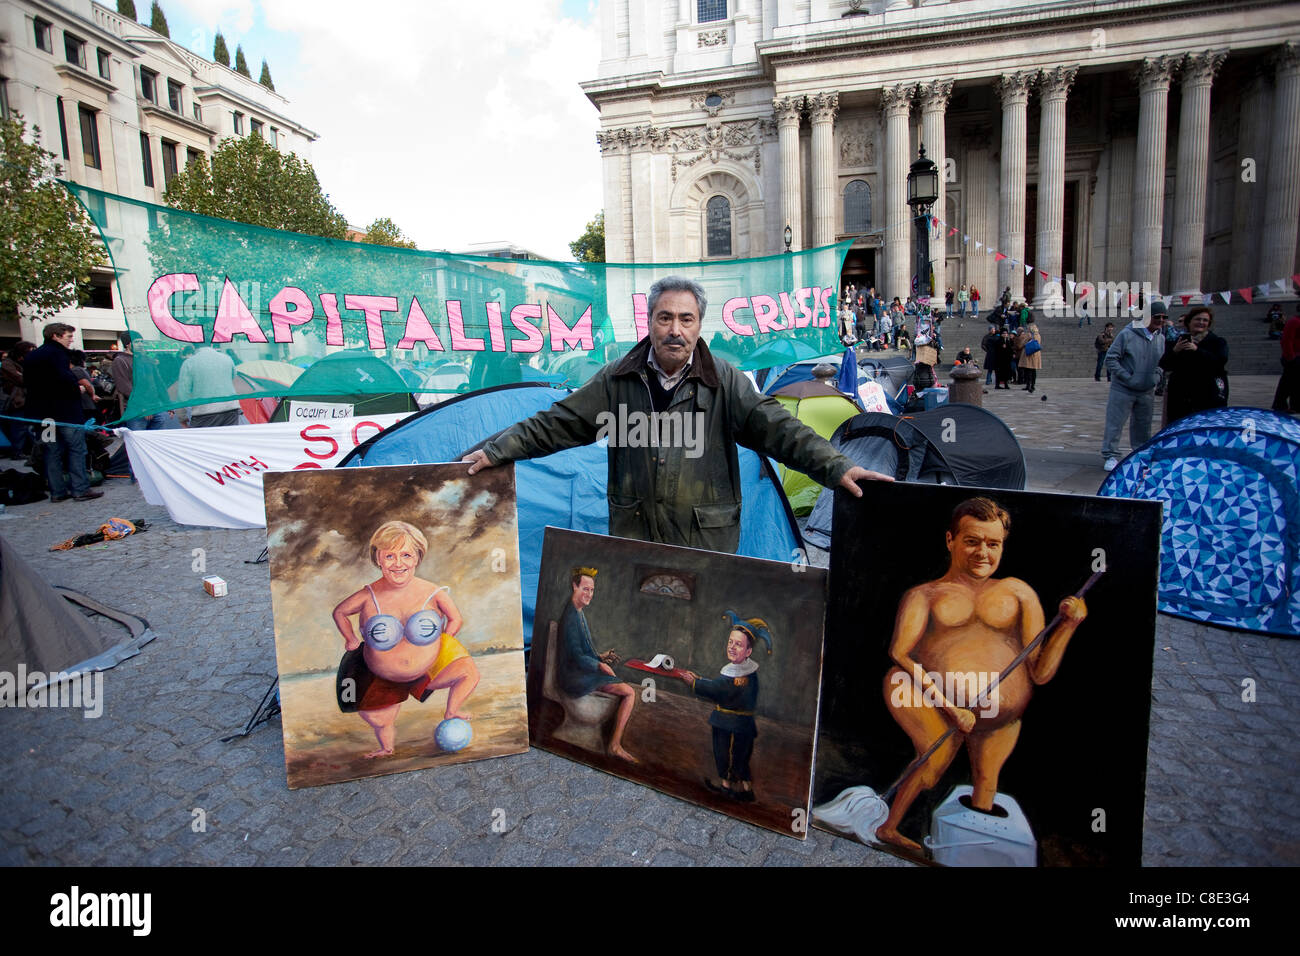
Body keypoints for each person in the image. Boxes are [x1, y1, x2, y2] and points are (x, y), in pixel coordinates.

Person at [463, 276, 890, 553]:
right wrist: (498, 450)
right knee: (641, 636)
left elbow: (783, 432)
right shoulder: (618, 380)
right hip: (635, 538)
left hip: (705, 542)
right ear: (648, 321)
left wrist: (839, 468)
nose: (675, 329)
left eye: (686, 319)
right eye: (665, 317)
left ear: (699, 325)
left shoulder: (725, 383)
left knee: (700, 640)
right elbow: (556, 424)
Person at [874, 497, 1088, 853]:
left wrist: (1068, 625)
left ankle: (971, 854)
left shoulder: (1020, 593)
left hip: (1001, 717)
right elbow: (900, 653)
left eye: (993, 543)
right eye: (972, 541)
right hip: (925, 695)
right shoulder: (925, 594)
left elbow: (1040, 672)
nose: (982, 552)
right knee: (934, 760)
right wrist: (949, 707)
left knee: (986, 788)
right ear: (950, 540)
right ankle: (889, 828)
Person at [332, 521, 479, 758]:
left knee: (468, 673)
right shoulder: (368, 595)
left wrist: (443, 642)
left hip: (426, 672)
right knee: (379, 720)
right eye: (390, 556)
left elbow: (455, 619)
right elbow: (339, 611)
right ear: (377, 559)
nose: (398, 563)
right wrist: (350, 638)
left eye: (406, 555)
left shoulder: (432, 592)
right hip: (383, 675)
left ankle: (451, 711)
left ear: (417, 558)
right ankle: (386, 748)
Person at [680, 611, 771, 803]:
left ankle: (741, 789)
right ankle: (730, 786)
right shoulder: (737, 671)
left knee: (734, 756)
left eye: (738, 644)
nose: (732, 647)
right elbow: (720, 684)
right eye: (730, 642)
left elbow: (720, 689)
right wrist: (700, 679)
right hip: (730, 722)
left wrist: (694, 683)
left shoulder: (743, 675)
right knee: (728, 755)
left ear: (748, 652)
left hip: (734, 723)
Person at [555, 567, 638, 762]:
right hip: (573, 678)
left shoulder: (578, 613)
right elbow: (575, 655)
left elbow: (583, 651)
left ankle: (613, 743)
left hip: (580, 672)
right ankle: (614, 745)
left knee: (622, 687)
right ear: (574, 586)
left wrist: (601, 657)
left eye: (592, 590)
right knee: (629, 692)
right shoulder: (570, 617)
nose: (589, 594)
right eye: (585, 589)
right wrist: (599, 666)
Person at [22, 324, 102, 502]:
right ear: (55, 336)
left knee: (51, 451)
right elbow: (63, 379)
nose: (71, 339)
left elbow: (27, 384)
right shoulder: (58, 354)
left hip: (44, 416)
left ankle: (57, 491)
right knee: (76, 449)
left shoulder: (32, 356)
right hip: (65, 414)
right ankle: (80, 489)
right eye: (68, 336)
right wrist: (77, 388)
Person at [1101, 302, 1167, 471]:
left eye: (1163, 317)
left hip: (1147, 389)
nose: (1160, 320)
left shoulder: (1161, 338)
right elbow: (1111, 358)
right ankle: (1111, 455)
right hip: (1123, 388)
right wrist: (1126, 377)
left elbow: (1161, 362)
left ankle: (1140, 453)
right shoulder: (1127, 334)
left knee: (1143, 424)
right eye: (1156, 317)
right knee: (1115, 423)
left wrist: (1156, 376)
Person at [1158, 306, 1228, 424]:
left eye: (1205, 320)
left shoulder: (1217, 342)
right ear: (1189, 321)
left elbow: (1220, 362)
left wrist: (1197, 350)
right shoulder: (1179, 341)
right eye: (1197, 319)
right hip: (1181, 396)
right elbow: (1164, 364)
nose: (1201, 322)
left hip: (1207, 394)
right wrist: (1175, 350)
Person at [177, 346, 242, 427]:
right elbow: (233, 376)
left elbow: (183, 393)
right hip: (231, 409)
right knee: (228, 439)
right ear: (211, 344)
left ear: (194, 346)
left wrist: (182, 417)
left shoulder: (189, 363)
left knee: (203, 439)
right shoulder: (227, 358)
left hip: (204, 412)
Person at [1, 341, 36, 458]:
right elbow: (21, 379)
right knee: (18, 426)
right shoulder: (7, 364)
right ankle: (17, 451)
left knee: (24, 426)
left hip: (24, 400)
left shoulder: (22, 364)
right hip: (15, 401)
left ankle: (24, 449)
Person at [1272, 310, 1300, 413]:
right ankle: (1281, 404)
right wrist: (1290, 357)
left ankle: (1294, 405)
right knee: (1288, 383)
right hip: (1293, 358)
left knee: (1294, 383)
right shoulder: (1294, 322)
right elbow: (1287, 340)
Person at [1018, 323, 1042, 394]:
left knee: (1028, 370)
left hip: (1028, 354)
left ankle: (1028, 385)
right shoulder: (1038, 335)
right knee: (1033, 370)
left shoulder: (1028, 334)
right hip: (1036, 354)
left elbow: (1022, 343)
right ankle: (1033, 385)